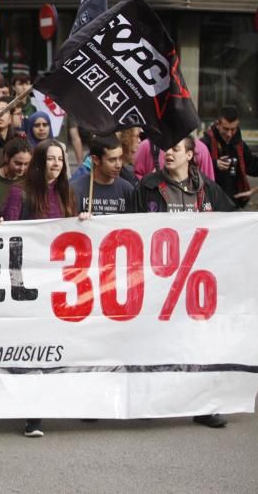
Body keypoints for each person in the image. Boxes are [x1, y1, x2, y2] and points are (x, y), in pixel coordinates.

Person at [130, 134, 234, 428]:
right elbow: (128, 228)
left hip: (198, 286)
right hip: (158, 283)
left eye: (176, 149)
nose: (168, 154)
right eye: (166, 149)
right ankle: (149, 403)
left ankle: (204, 406)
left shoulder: (209, 191)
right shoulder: (147, 188)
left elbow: (233, 226)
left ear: (191, 155)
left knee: (200, 345)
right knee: (153, 343)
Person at [2, 139, 75, 439]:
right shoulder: (20, 192)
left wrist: (83, 223)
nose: (56, 164)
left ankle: (41, 409)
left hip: (57, 284)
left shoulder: (68, 193)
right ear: (39, 162)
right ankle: (32, 414)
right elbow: (9, 233)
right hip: (28, 284)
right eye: (51, 158)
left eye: (60, 159)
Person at [201, 105, 257, 208]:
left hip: (234, 205)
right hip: (210, 205)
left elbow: (252, 166)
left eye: (233, 129)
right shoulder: (204, 144)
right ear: (217, 124)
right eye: (226, 129)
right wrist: (214, 164)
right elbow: (193, 167)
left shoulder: (239, 145)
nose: (229, 134)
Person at [70, 136, 135, 215]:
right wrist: (78, 220)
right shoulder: (76, 189)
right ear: (96, 160)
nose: (118, 165)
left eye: (120, 158)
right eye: (112, 160)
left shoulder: (127, 190)